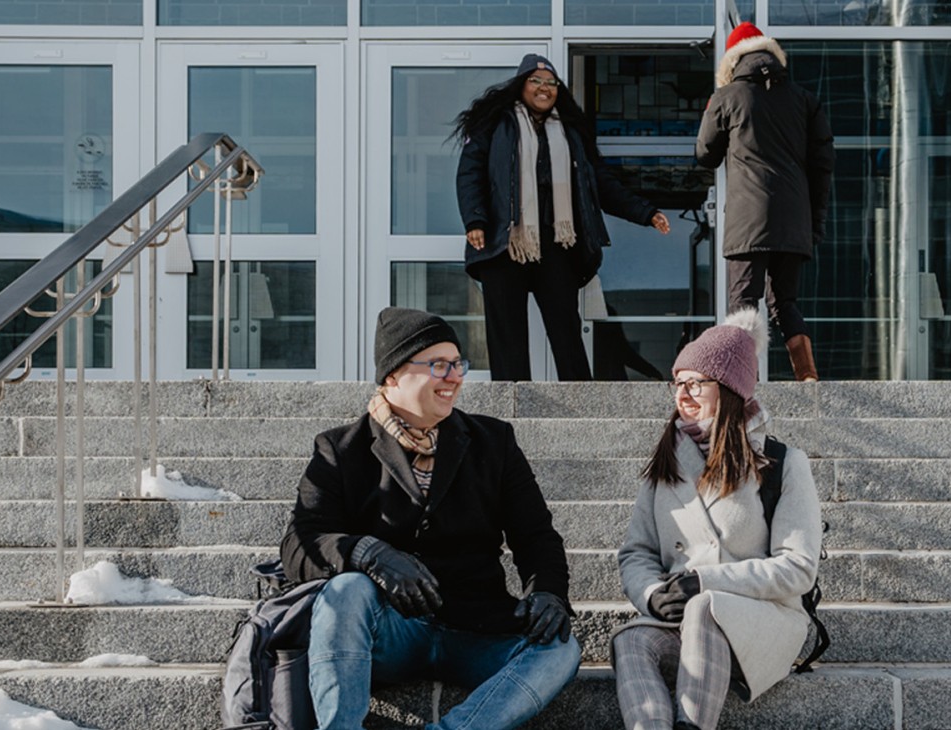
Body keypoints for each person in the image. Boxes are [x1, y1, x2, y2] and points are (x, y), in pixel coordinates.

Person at [281, 307, 580, 730]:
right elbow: (300, 543)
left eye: (459, 364)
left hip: (477, 629)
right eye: (439, 364)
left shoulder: (494, 441)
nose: (454, 376)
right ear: (391, 376)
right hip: (388, 633)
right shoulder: (340, 449)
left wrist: (547, 592)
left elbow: (536, 537)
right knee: (345, 590)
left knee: (561, 651)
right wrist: (367, 552)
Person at [611, 309, 825, 730]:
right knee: (632, 639)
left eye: (696, 383)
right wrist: (654, 595)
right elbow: (636, 551)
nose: (683, 395)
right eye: (678, 383)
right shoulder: (667, 461)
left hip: (763, 622)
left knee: (706, 608)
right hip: (683, 620)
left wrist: (705, 583)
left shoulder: (783, 464)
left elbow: (798, 568)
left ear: (728, 389)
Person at [455, 53, 671, 381]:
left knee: (566, 329)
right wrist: (475, 220)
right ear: (521, 86)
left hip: (557, 244)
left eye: (551, 83)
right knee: (507, 334)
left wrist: (645, 212)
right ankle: (513, 403)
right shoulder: (496, 124)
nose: (544, 88)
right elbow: (471, 173)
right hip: (505, 243)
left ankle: (578, 399)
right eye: (536, 81)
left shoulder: (570, 133)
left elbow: (599, 183)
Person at [695, 22, 835, 382]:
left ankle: (738, 380)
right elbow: (823, 167)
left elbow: (705, 154)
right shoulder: (805, 100)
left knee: (743, 302)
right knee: (783, 302)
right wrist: (814, 224)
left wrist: (714, 107)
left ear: (732, 61)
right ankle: (807, 376)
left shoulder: (728, 97)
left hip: (748, 219)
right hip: (794, 221)